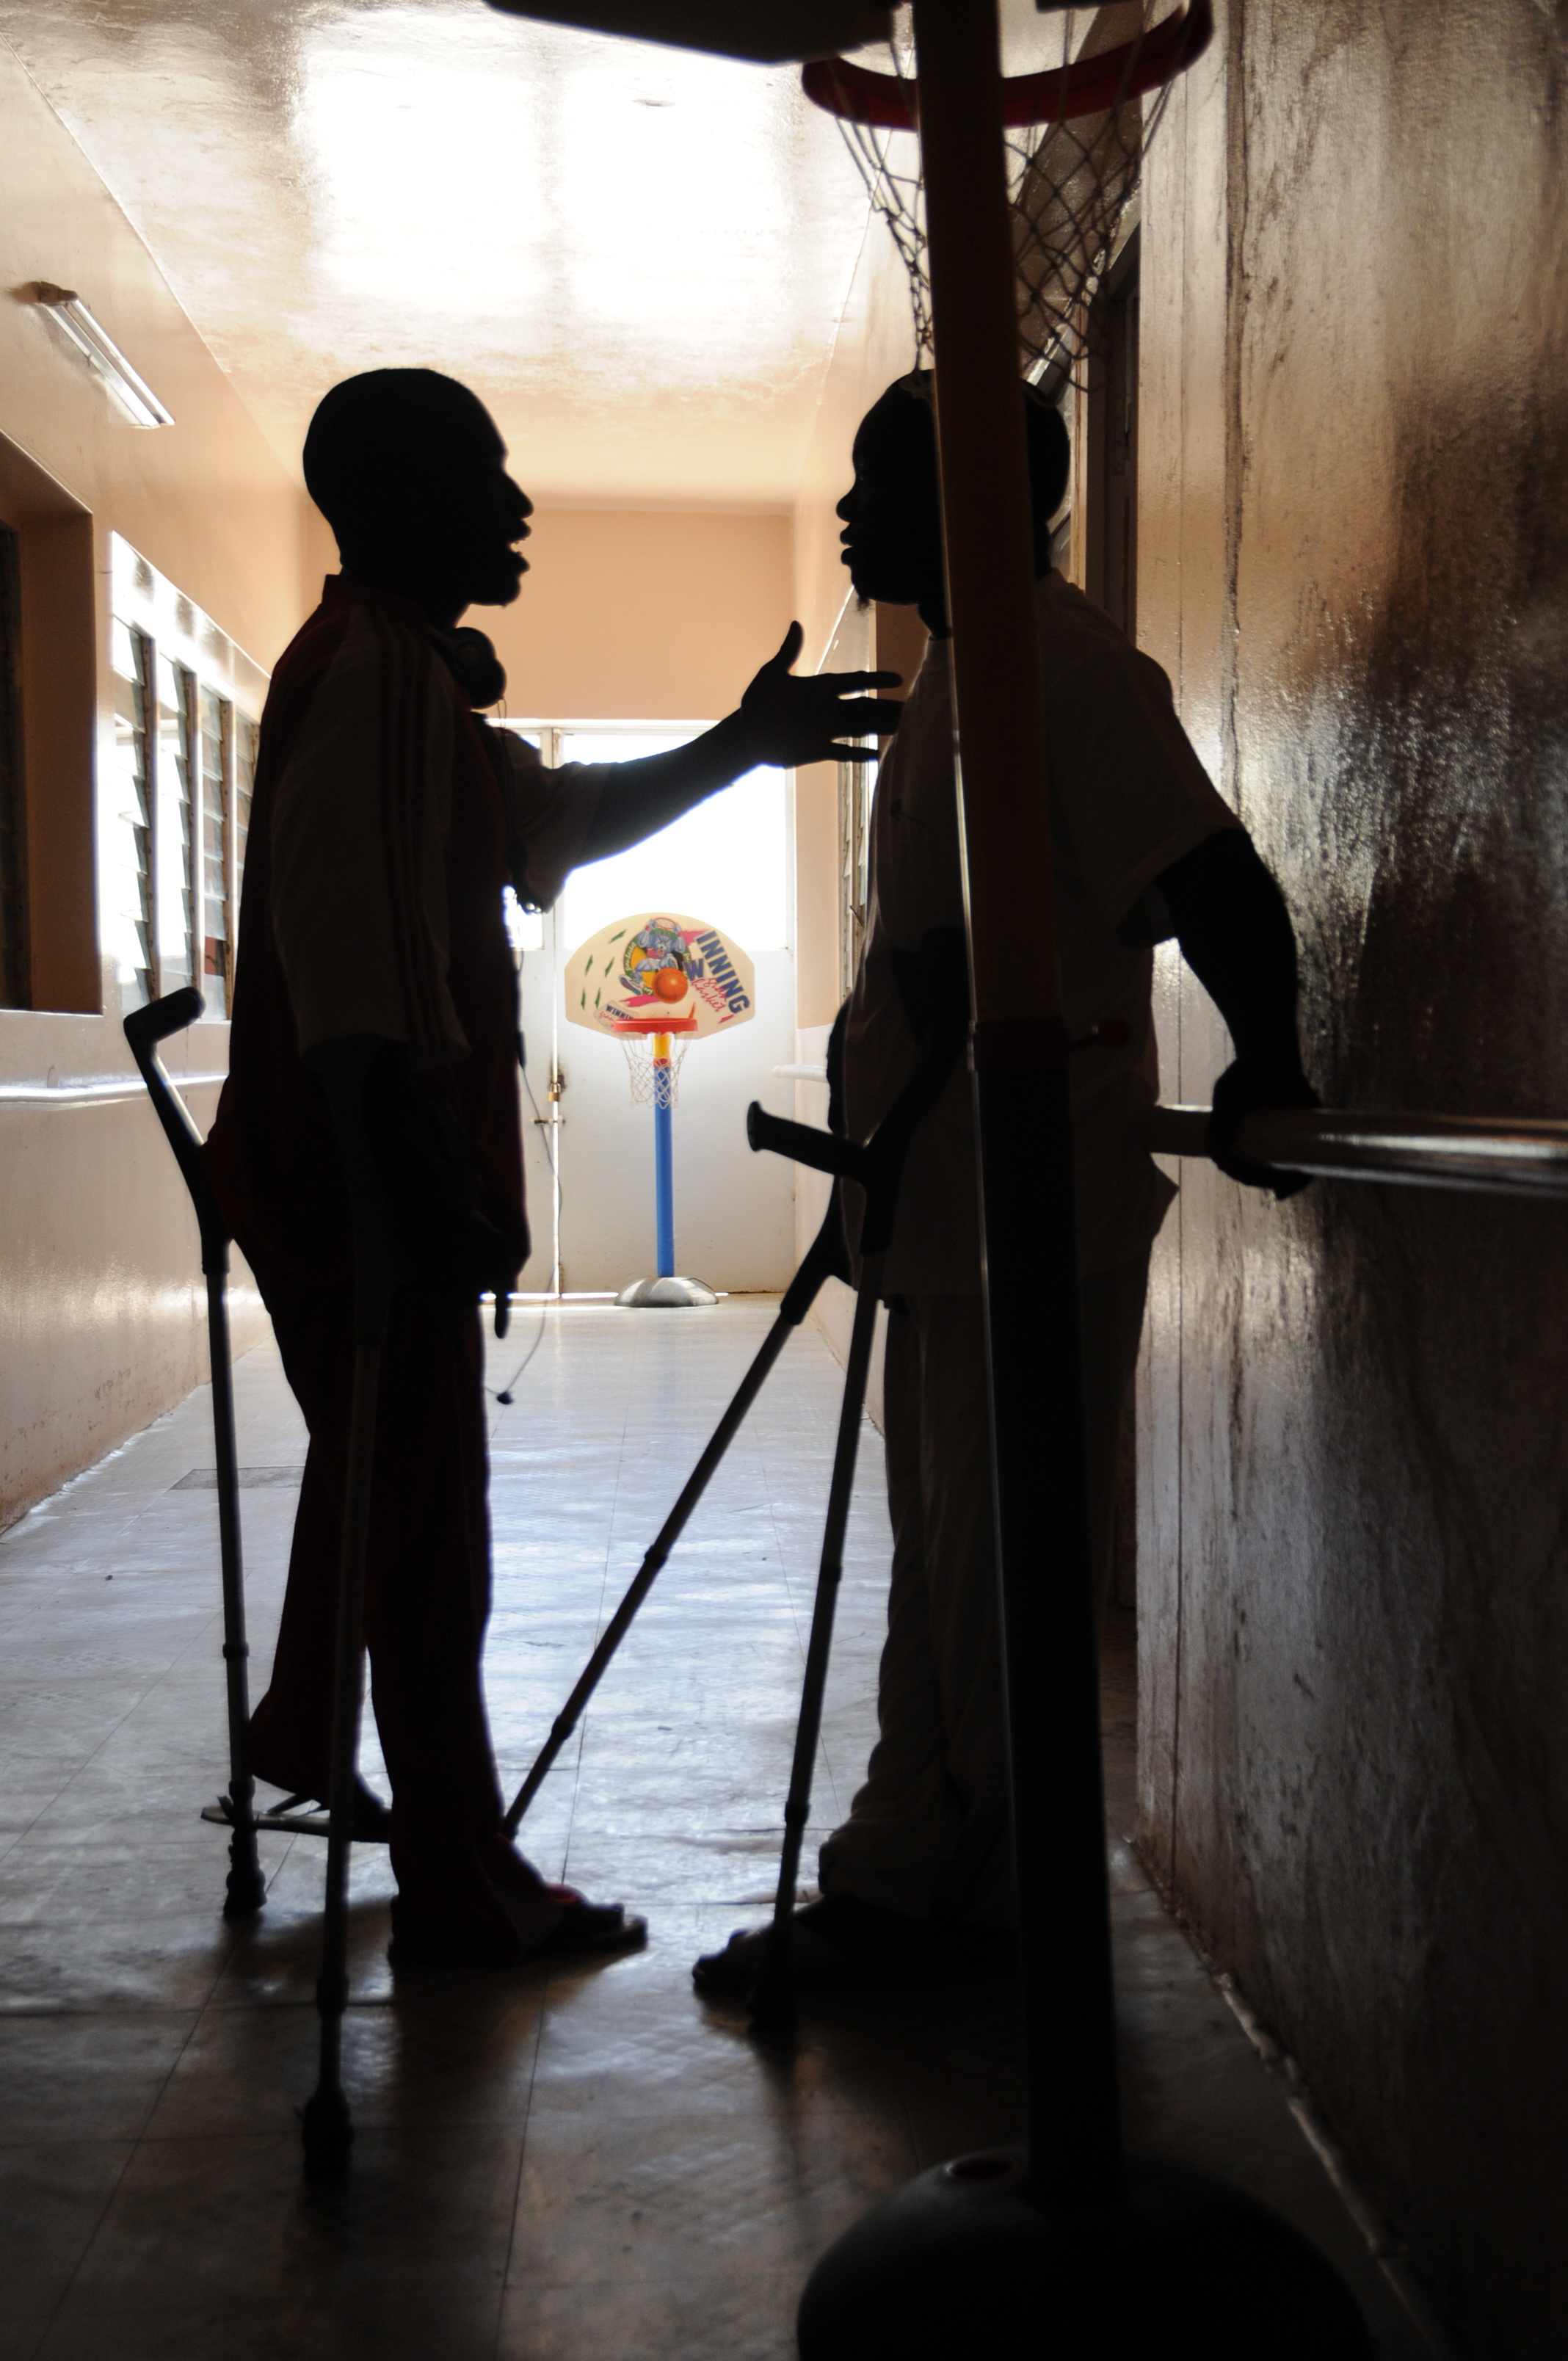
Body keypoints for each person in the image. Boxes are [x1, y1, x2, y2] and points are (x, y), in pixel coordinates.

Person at [205, 367, 896, 1970]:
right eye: (487, 474)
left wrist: (739, 740)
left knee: (385, 1481)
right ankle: (458, 1879)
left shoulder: (404, 682)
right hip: (365, 1177)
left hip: (354, 1169)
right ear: (399, 501)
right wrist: (405, 1198)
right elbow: (353, 964)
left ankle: (317, 1736)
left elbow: (548, 825)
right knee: (429, 1534)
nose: (518, 505)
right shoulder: (375, 673)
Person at [694, 369, 1318, 1992]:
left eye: (875, 484)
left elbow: (1212, 881)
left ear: (969, 502)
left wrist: (1270, 1068)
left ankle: (949, 1905)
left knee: (991, 1574)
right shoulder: (959, 674)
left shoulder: (1061, 671)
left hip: (1026, 1204)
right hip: (949, 1210)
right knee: (952, 1563)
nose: (846, 515)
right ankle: (923, 1877)